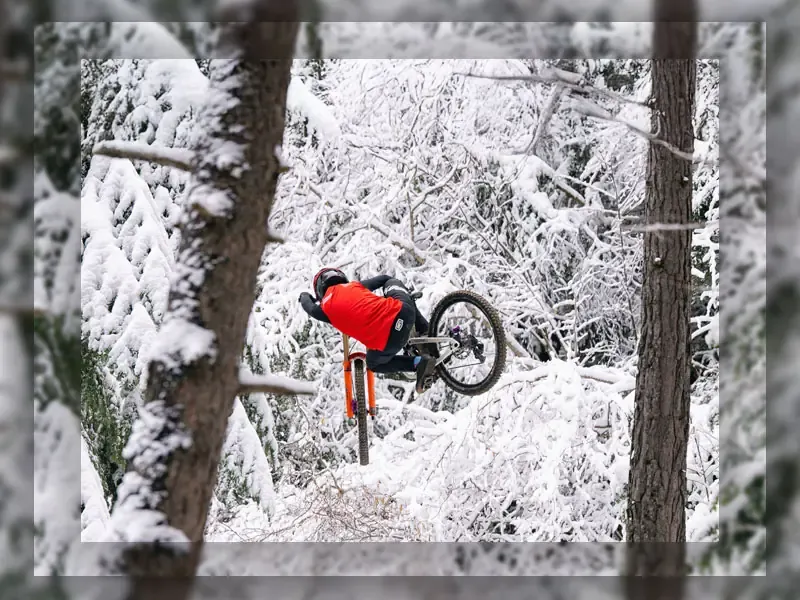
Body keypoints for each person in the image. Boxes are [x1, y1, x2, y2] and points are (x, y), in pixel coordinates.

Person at [299, 267, 437, 394]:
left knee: (373, 364)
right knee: (392, 283)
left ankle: (419, 362)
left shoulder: (324, 309)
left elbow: (309, 307)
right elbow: (384, 278)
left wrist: (305, 296)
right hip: (403, 312)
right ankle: (425, 331)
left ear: (320, 291)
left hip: (390, 341)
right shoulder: (354, 286)